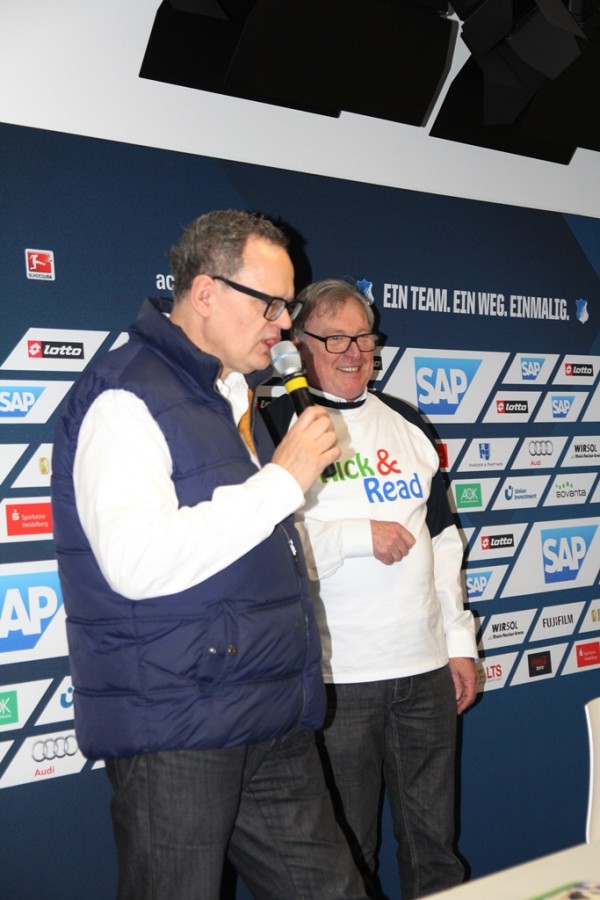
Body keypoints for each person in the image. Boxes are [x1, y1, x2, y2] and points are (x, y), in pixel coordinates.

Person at [51, 212, 369, 900]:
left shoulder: (229, 393)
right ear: (204, 292)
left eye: (287, 307)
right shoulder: (126, 395)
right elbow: (136, 561)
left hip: (265, 713)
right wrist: (281, 480)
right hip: (178, 726)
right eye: (271, 304)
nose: (283, 325)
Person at [261, 278, 479, 899]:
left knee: (435, 850)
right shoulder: (274, 423)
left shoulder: (407, 421)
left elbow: (443, 541)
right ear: (300, 344)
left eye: (364, 338)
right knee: (347, 856)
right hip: (338, 679)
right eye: (335, 338)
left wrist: (458, 643)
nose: (354, 352)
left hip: (424, 673)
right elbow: (265, 544)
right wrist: (360, 535)